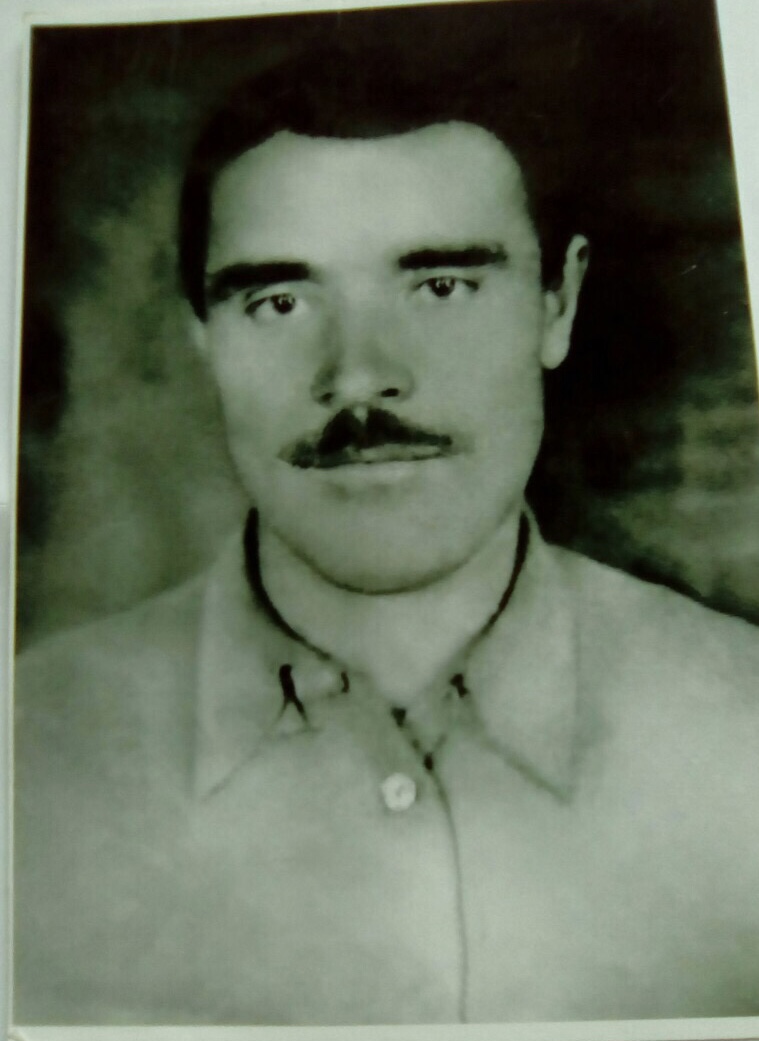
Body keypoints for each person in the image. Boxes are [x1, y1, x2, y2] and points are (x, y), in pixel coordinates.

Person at [14, 42, 759, 1026]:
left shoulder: (745, 727)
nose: (358, 376)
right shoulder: (26, 756)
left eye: (441, 286)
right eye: (279, 302)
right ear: (201, 333)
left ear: (559, 303)